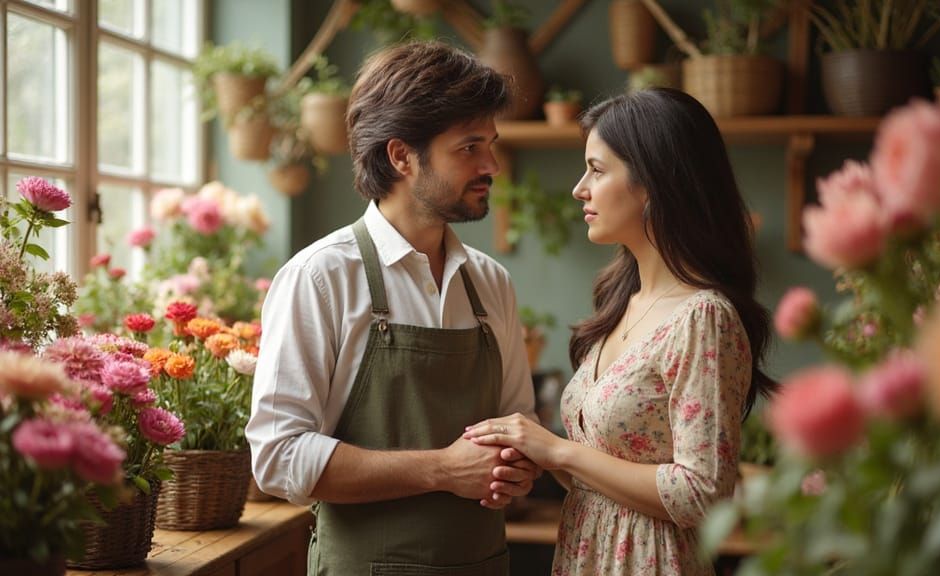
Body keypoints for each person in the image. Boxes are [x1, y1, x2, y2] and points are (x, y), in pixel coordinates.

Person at [246, 41, 541, 576]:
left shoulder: (491, 283)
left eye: (491, 145)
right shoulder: (320, 277)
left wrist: (517, 468)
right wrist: (442, 469)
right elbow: (278, 456)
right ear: (401, 156)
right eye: (469, 147)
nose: (491, 165)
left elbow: (519, 423)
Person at [464, 88, 778, 575]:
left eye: (597, 169)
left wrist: (558, 449)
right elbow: (598, 478)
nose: (580, 189)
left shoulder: (703, 318)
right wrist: (539, 457)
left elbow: (703, 495)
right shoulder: (619, 305)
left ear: (653, 182)